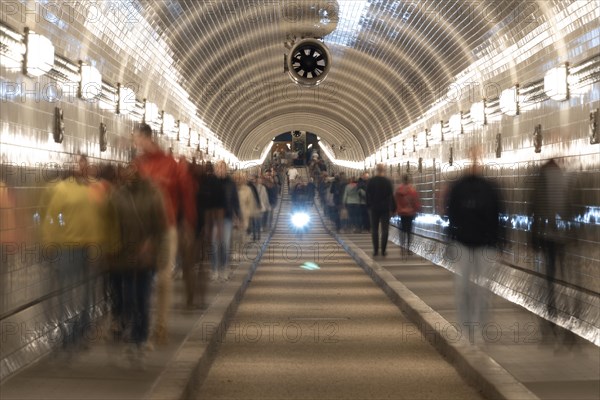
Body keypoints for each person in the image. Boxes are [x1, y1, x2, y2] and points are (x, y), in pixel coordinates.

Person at [133, 123, 196, 344]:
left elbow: (186, 192)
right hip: (141, 229)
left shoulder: (170, 164)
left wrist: (188, 222)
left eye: (138, 139)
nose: (136, 143)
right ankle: (140, 324)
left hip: (166, 227)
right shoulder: (137, 165)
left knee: (163, 278)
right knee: (140, 277)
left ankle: (160, 326)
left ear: (148, 138)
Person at [109, 166, 166, 368]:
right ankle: (133, 339)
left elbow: (161, 227)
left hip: (146, 258)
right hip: (124, 257)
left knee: (142, 298)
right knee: (128, 298)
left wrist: (151, 245)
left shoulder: (152, 195)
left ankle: (140, 340)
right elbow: (111, 224)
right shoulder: (118, 195)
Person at [446, 148, 501, 344]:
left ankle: (480, 326)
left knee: (483, 288)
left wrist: (499, 241)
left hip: (485, 245)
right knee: (463, 287)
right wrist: (451, 238)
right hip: (462, 242)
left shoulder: (490, 187)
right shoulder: (459, 187)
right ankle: (465, 325)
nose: (476, 162)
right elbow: (450, 213)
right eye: (473, 158)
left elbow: (497, 215)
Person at [366, 164, 394, 256]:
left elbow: (368, 194)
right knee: (385, 229)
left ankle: (375, 250)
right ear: (384, 170)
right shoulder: (387, 182)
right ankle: (383, 250)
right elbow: (391, 195)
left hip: (374, 208)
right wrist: (393, 208)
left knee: (374, 229)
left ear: (376, 170)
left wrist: (369, 205)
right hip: (385, 208)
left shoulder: (371, 181)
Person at [395, 174, 421, 256]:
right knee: (409, 231)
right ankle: (409, 249)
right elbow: (415, 201)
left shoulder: (398, 190)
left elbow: (395, 201)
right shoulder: (412, 190)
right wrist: (417, 210)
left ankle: (402, 248)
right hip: (410, 213)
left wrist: (396, 210)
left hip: (401, 213)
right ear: (409, 180)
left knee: (402, 230)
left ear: (402, 180)